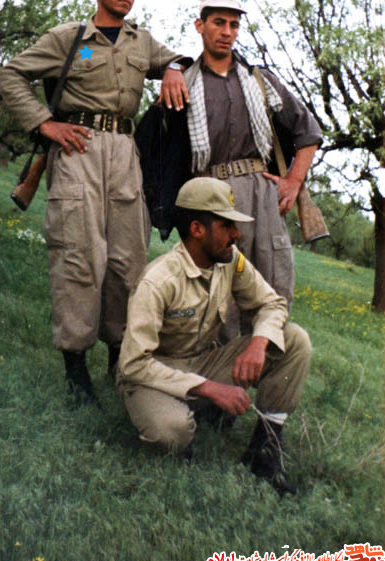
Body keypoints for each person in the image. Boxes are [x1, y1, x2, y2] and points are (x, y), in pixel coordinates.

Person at [0, 0, 191, 404]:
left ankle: (121, 359)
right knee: (79, 256)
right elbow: (12, 74)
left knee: (128, 260)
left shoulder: (142, 42)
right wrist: (44, 124)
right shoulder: (69, 39)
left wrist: (175, 68)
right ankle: (75, 368)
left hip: (125, 153)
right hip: (77, 149)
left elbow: (180, 60)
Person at [117, 177, 312, 495]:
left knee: (294, 340)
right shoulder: (158, 281)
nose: (237, 234)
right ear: (197, 229)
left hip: (203, 362)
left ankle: (264, 450)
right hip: (153, 375)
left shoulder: (231, 262)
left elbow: (272, 303)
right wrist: (210, 389)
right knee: (172, 433)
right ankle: (192, 417)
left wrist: (259, 342)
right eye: (227, 225)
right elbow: (134, 364)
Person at [182, 0, 322, 333]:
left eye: (234, 25)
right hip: (211, 194)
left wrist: (293, 182)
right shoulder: (185, 83)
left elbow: (308, 131)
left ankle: (270, 356)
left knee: (273, 283)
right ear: (200, 25)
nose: (227, 32)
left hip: (262, 192)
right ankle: (223, 362)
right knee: (218, 291)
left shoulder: (260, 80)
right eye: (218, 22)